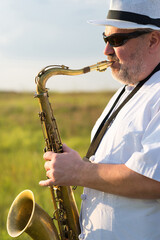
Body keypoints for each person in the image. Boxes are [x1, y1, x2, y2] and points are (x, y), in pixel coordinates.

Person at [39, 0, 160, 239]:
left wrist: (79, 171)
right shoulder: (128, 89)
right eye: (105, 39)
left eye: (117, 41)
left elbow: (153, 179)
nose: (106, 51)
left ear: (153, 40)